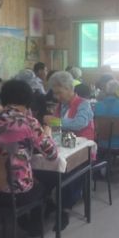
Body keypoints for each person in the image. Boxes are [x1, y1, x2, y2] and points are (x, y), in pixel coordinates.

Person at [0, 79, 58, 238]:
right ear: (28, 100)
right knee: (43, 184)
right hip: (17, 192)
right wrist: (47, 133)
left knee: (29, 180)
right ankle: (33, 230)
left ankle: (22, 221)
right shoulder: (28, 122)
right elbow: (52, 154)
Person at [44, 71, 95, 229]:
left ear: (68, 88)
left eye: (59, 92)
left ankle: (64, 209)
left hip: (83, 149)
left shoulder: (83, 104)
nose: (56, 96)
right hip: (65, 146)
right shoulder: (61, 106)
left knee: (70, 172)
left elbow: (79, 124)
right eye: (55, 93)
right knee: (47, 170)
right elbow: (56, 129)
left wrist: (55, 121)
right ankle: (50, 201)